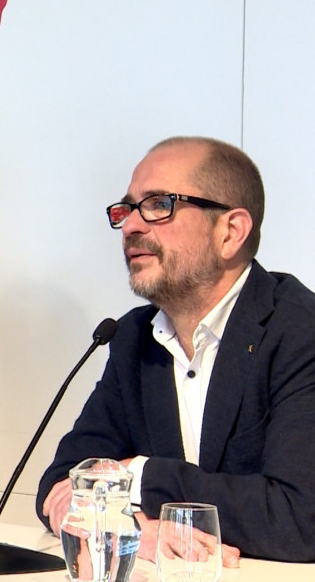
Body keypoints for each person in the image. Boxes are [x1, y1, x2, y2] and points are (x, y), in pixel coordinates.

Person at [37, 136, 315, 563]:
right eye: (127, 209)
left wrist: (139, 476)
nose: (131, 226)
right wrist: (132, 529)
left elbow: (299, 518)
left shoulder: (299, 332)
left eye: (158, 205)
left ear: (231, 231)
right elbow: (61, 482)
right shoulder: (133, 338)